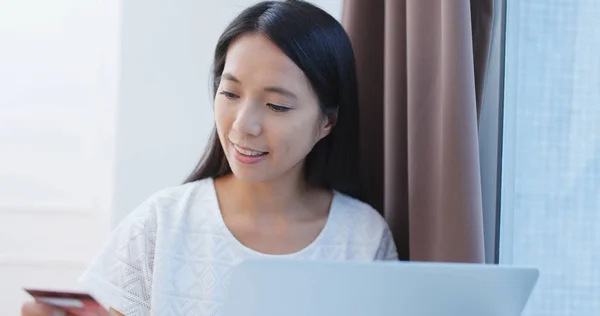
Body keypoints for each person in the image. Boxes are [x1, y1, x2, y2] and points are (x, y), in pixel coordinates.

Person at [21, 0, 398, 315]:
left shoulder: (362, 238)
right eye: (230, 93)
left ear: (327, 122)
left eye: (277, 105)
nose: (243, 125)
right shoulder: (161, 224)